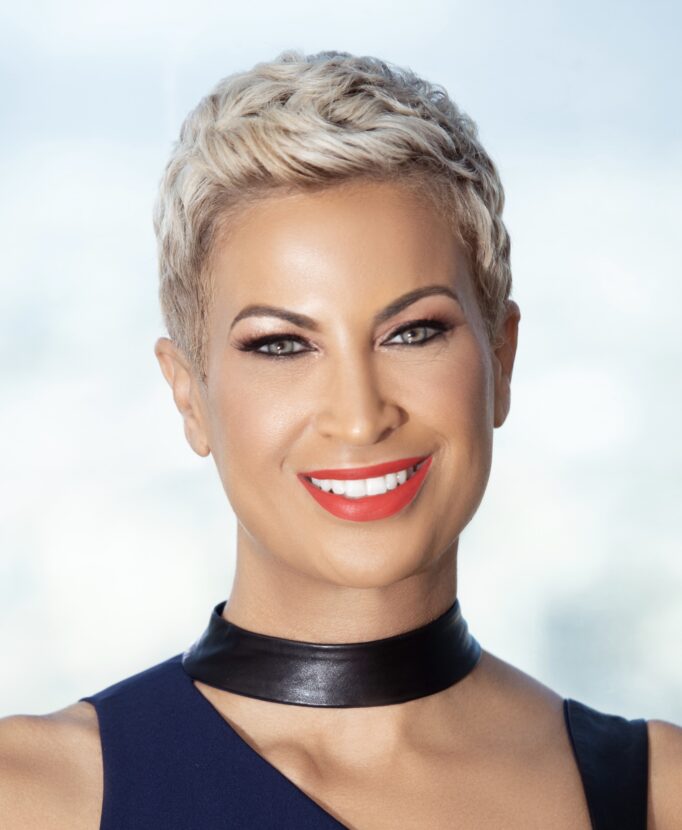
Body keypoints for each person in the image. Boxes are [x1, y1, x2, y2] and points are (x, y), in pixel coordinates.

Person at [0, 49, 680, 830]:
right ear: (188, 394)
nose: (359, 417)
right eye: (281, 345)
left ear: (502, 357)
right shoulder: (33, 794)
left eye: (413, 332)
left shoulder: (658, 793)